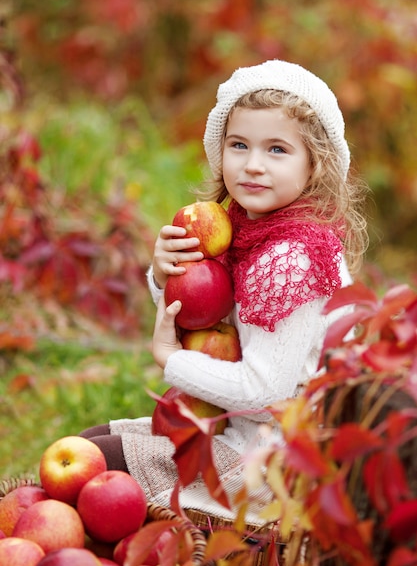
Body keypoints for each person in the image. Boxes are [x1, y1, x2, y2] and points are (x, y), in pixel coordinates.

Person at [80, 59, 368, 523]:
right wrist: (165, 274)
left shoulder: (292, 257)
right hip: (236, 426)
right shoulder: (241, 228)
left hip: (277, 463)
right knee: (86, 447)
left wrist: (170, 359)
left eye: (277, 149)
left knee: (92, 469)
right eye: (239, 145)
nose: (253, 165)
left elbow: (264, 390)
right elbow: (210, 318)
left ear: (315, 164)